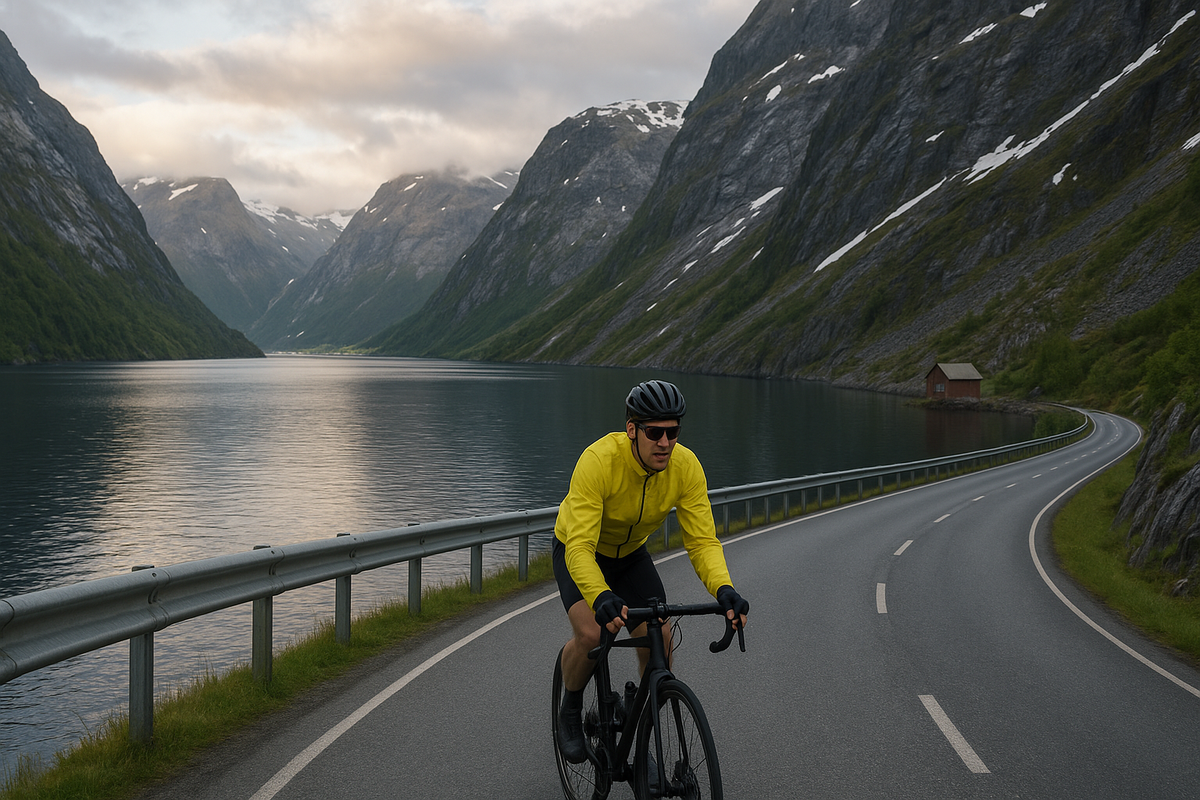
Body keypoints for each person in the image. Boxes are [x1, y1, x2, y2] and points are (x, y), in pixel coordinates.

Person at [553, 379, 750, 763]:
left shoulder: (685, 466)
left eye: (672, 432)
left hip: (630, 554)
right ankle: (571, 710)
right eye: (654, 432)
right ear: (632, 430)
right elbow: (579, 547)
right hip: (580, 550)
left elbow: (702, 541)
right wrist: (600, 595)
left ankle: (639, 719)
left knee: (659, 632)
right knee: (593, 632)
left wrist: (723, 589)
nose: (665, 442)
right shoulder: (598, 461)